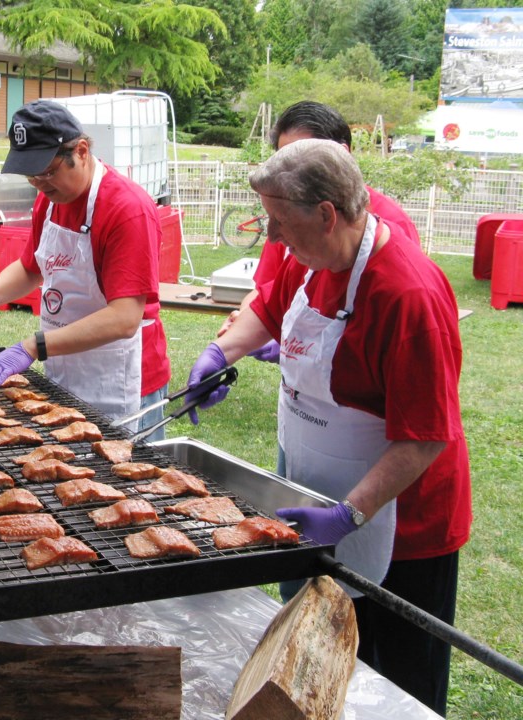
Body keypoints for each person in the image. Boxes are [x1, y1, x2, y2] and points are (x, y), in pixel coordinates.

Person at [185, 139, 471, 717]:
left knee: (393, 690)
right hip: (314, 491)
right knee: (313, 671)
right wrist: (221, 353)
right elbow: (268, 308)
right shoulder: (308, 255)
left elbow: (425, 436)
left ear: (326, 214)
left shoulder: (407, 292)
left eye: (279, 220)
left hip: (401, 525)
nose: (270, 237)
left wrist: (349, 514)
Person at [0, 100, 170, 436]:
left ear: (82, 151)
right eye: (31, 175)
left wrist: (33, 346)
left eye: (47, 171)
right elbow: (33, 267)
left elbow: (124, 318)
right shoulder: (49, 199)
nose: (40, 183)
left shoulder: (127, 210)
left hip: (123, 382)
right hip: (66, 371)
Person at [220, 101, 421, 362]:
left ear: (341, 155)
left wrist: (305, 344)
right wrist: (241, 327)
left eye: (300, 157)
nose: (285, 173)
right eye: (282, 158)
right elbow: (269, 293)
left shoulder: (394, 227)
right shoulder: (287, 219)